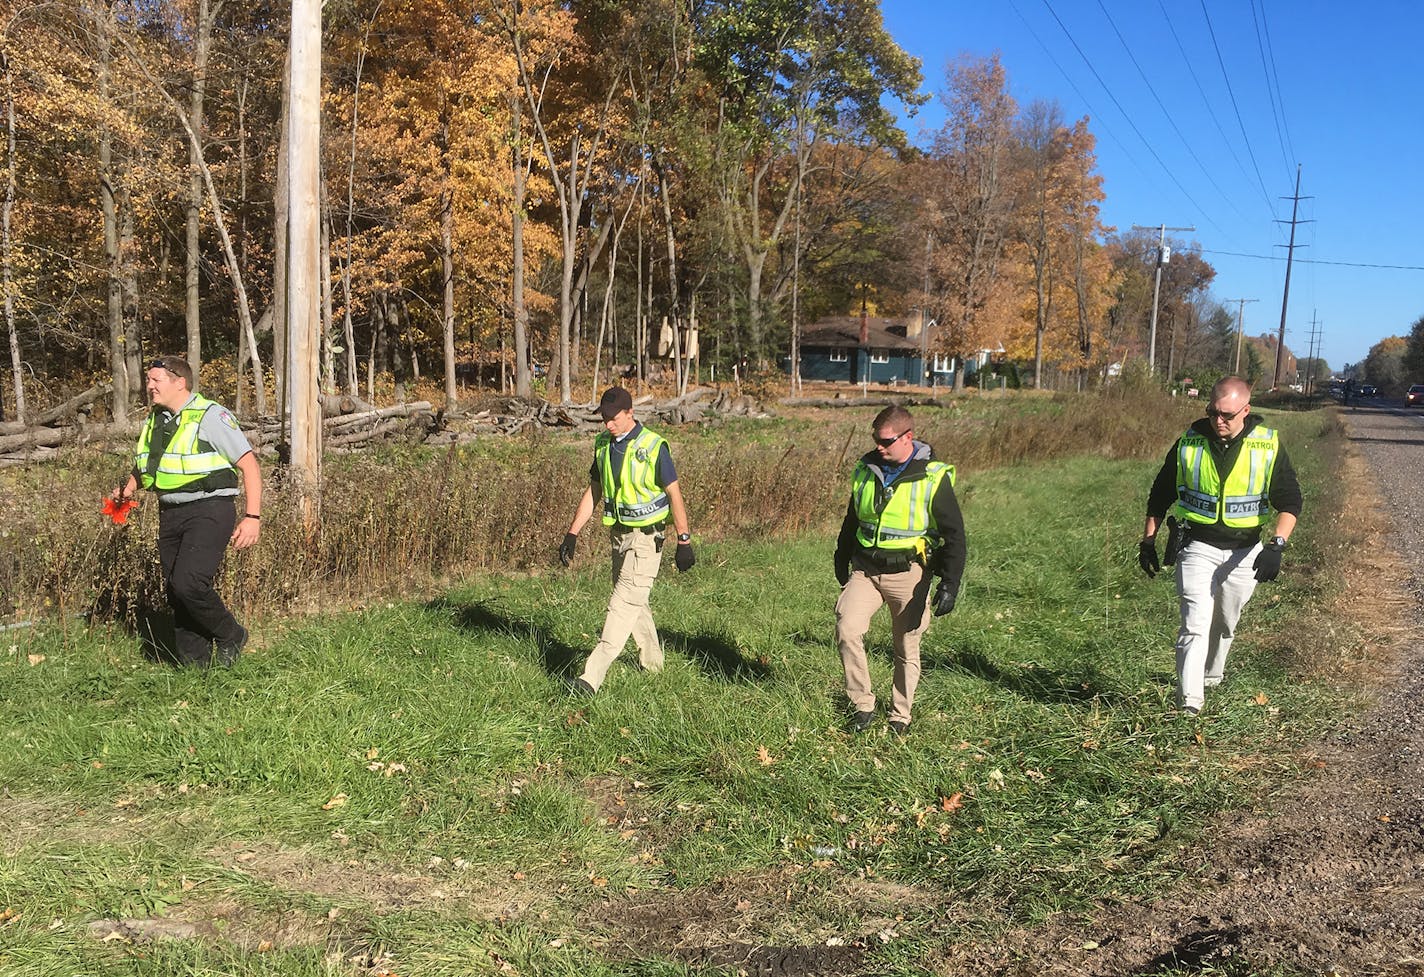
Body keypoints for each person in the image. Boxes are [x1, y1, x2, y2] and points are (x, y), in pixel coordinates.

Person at [1138, 376, 1302, 716]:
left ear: (1246, 409)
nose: (1219, 421)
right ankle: (1190, 701)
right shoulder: (1189, 443)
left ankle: (1211, 676)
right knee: (1194, 622)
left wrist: (1277, 545)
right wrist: (1148, 541)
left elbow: (1290, 500)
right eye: (1213, 412)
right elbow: (1160, 495)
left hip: (1245, 551)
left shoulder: (1267, 445)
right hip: (1196, 545)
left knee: (1225, 622)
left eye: (1227, 414)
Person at [111, 355, 262, 667]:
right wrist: (126, 491)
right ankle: (195, 664)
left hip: (209, 508)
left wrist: (252, 517)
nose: (149, 386)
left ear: (180, 382)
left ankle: (230, 633)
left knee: (189, 583)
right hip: (170, 512)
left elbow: (249, 465)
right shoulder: (156, 420)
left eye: (156, 380)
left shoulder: (210, 416)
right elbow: (147, 467)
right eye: (149, 380)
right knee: (175, 591)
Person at [833, 405, 966, 735]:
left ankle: (899, 715)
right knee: (847, 629)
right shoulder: (866, 469)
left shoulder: (931, 477)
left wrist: (950, 582)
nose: (879, 446)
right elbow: (853, 519)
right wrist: (841, 556)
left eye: (886, 440)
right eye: (875, 439)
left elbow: (954, 534)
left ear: (908, 437)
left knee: (906, 645)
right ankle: (863, 706)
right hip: (865, 570)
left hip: (908, 573)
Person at [558, 386, 695, 694]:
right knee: (636, 602)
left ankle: (590, 679)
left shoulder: (653, 446)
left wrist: (684, 540)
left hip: (648, 540)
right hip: (619, 537)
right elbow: (594, 491)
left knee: (621, 605)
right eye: (604, 418)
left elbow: (674, 494)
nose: (608, 424)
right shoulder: (603, 444)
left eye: (614, 418)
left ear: (631, 413)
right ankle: (654, 665)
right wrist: (572, 532)